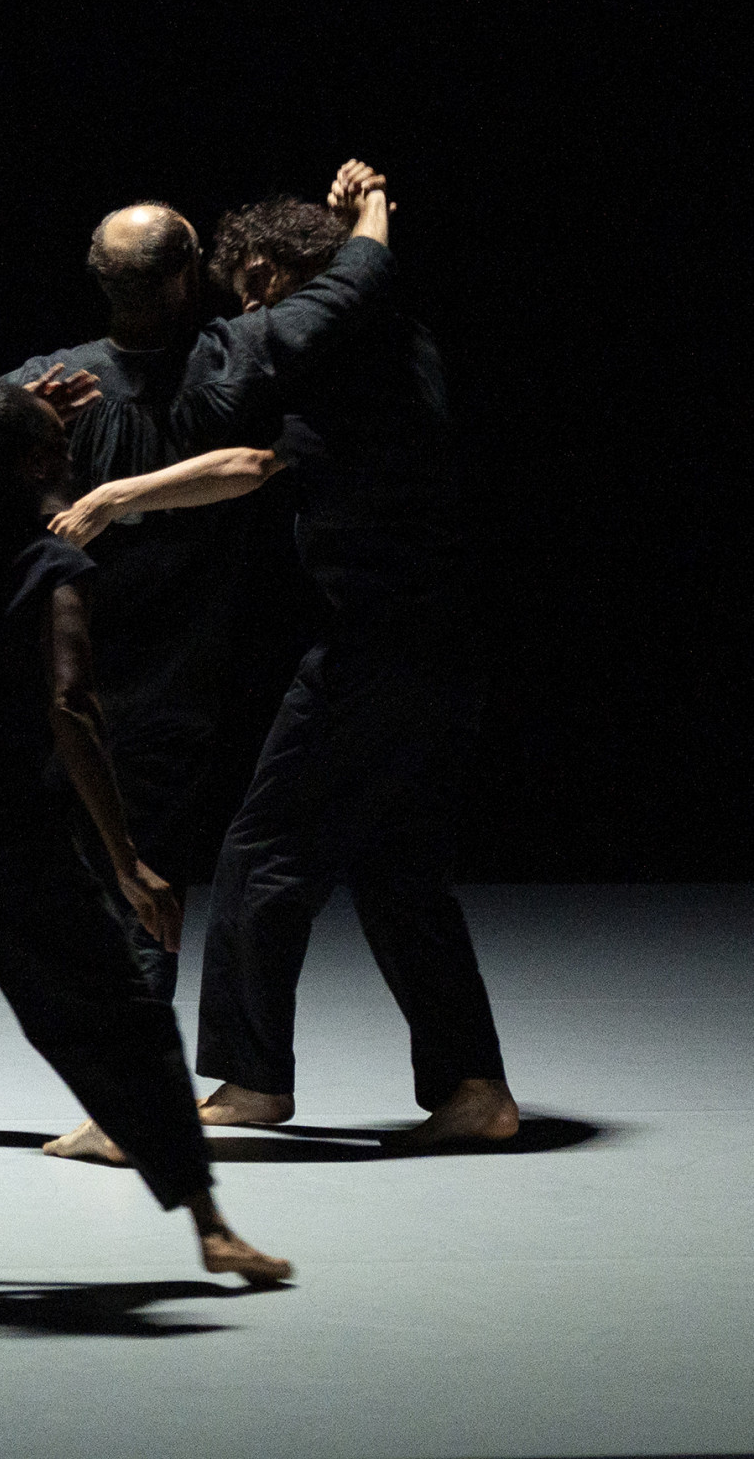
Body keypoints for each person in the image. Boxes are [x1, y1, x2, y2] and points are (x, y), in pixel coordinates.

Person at [0, 161, 399, 1161]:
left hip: (37, 659)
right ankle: (124, 1101)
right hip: (168, 676)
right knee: (134, 882)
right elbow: (350, 288)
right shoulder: (239, 359)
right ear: (188, 275)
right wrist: (368, 214)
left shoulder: (51, 382)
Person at [57, 171, 518, 1147]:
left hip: (381, 643)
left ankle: (251, 1081)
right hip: (442, 643)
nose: (247, 311)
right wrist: (121, 495)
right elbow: (260, 461)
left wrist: (115, 495)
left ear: (286, 269)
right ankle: (474, 1088)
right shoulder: (386, 351)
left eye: (255, 287)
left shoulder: (354, 334)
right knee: (397, 869)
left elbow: (256, 453)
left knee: (264, 851)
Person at [0, 361, 291, 1286]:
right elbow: (72, 708)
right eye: (56, 445)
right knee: (108, 1010)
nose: (67, 454)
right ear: (35, 466)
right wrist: (127, 860)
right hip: (0, 815)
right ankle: (210, 1226)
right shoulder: (51, 562)